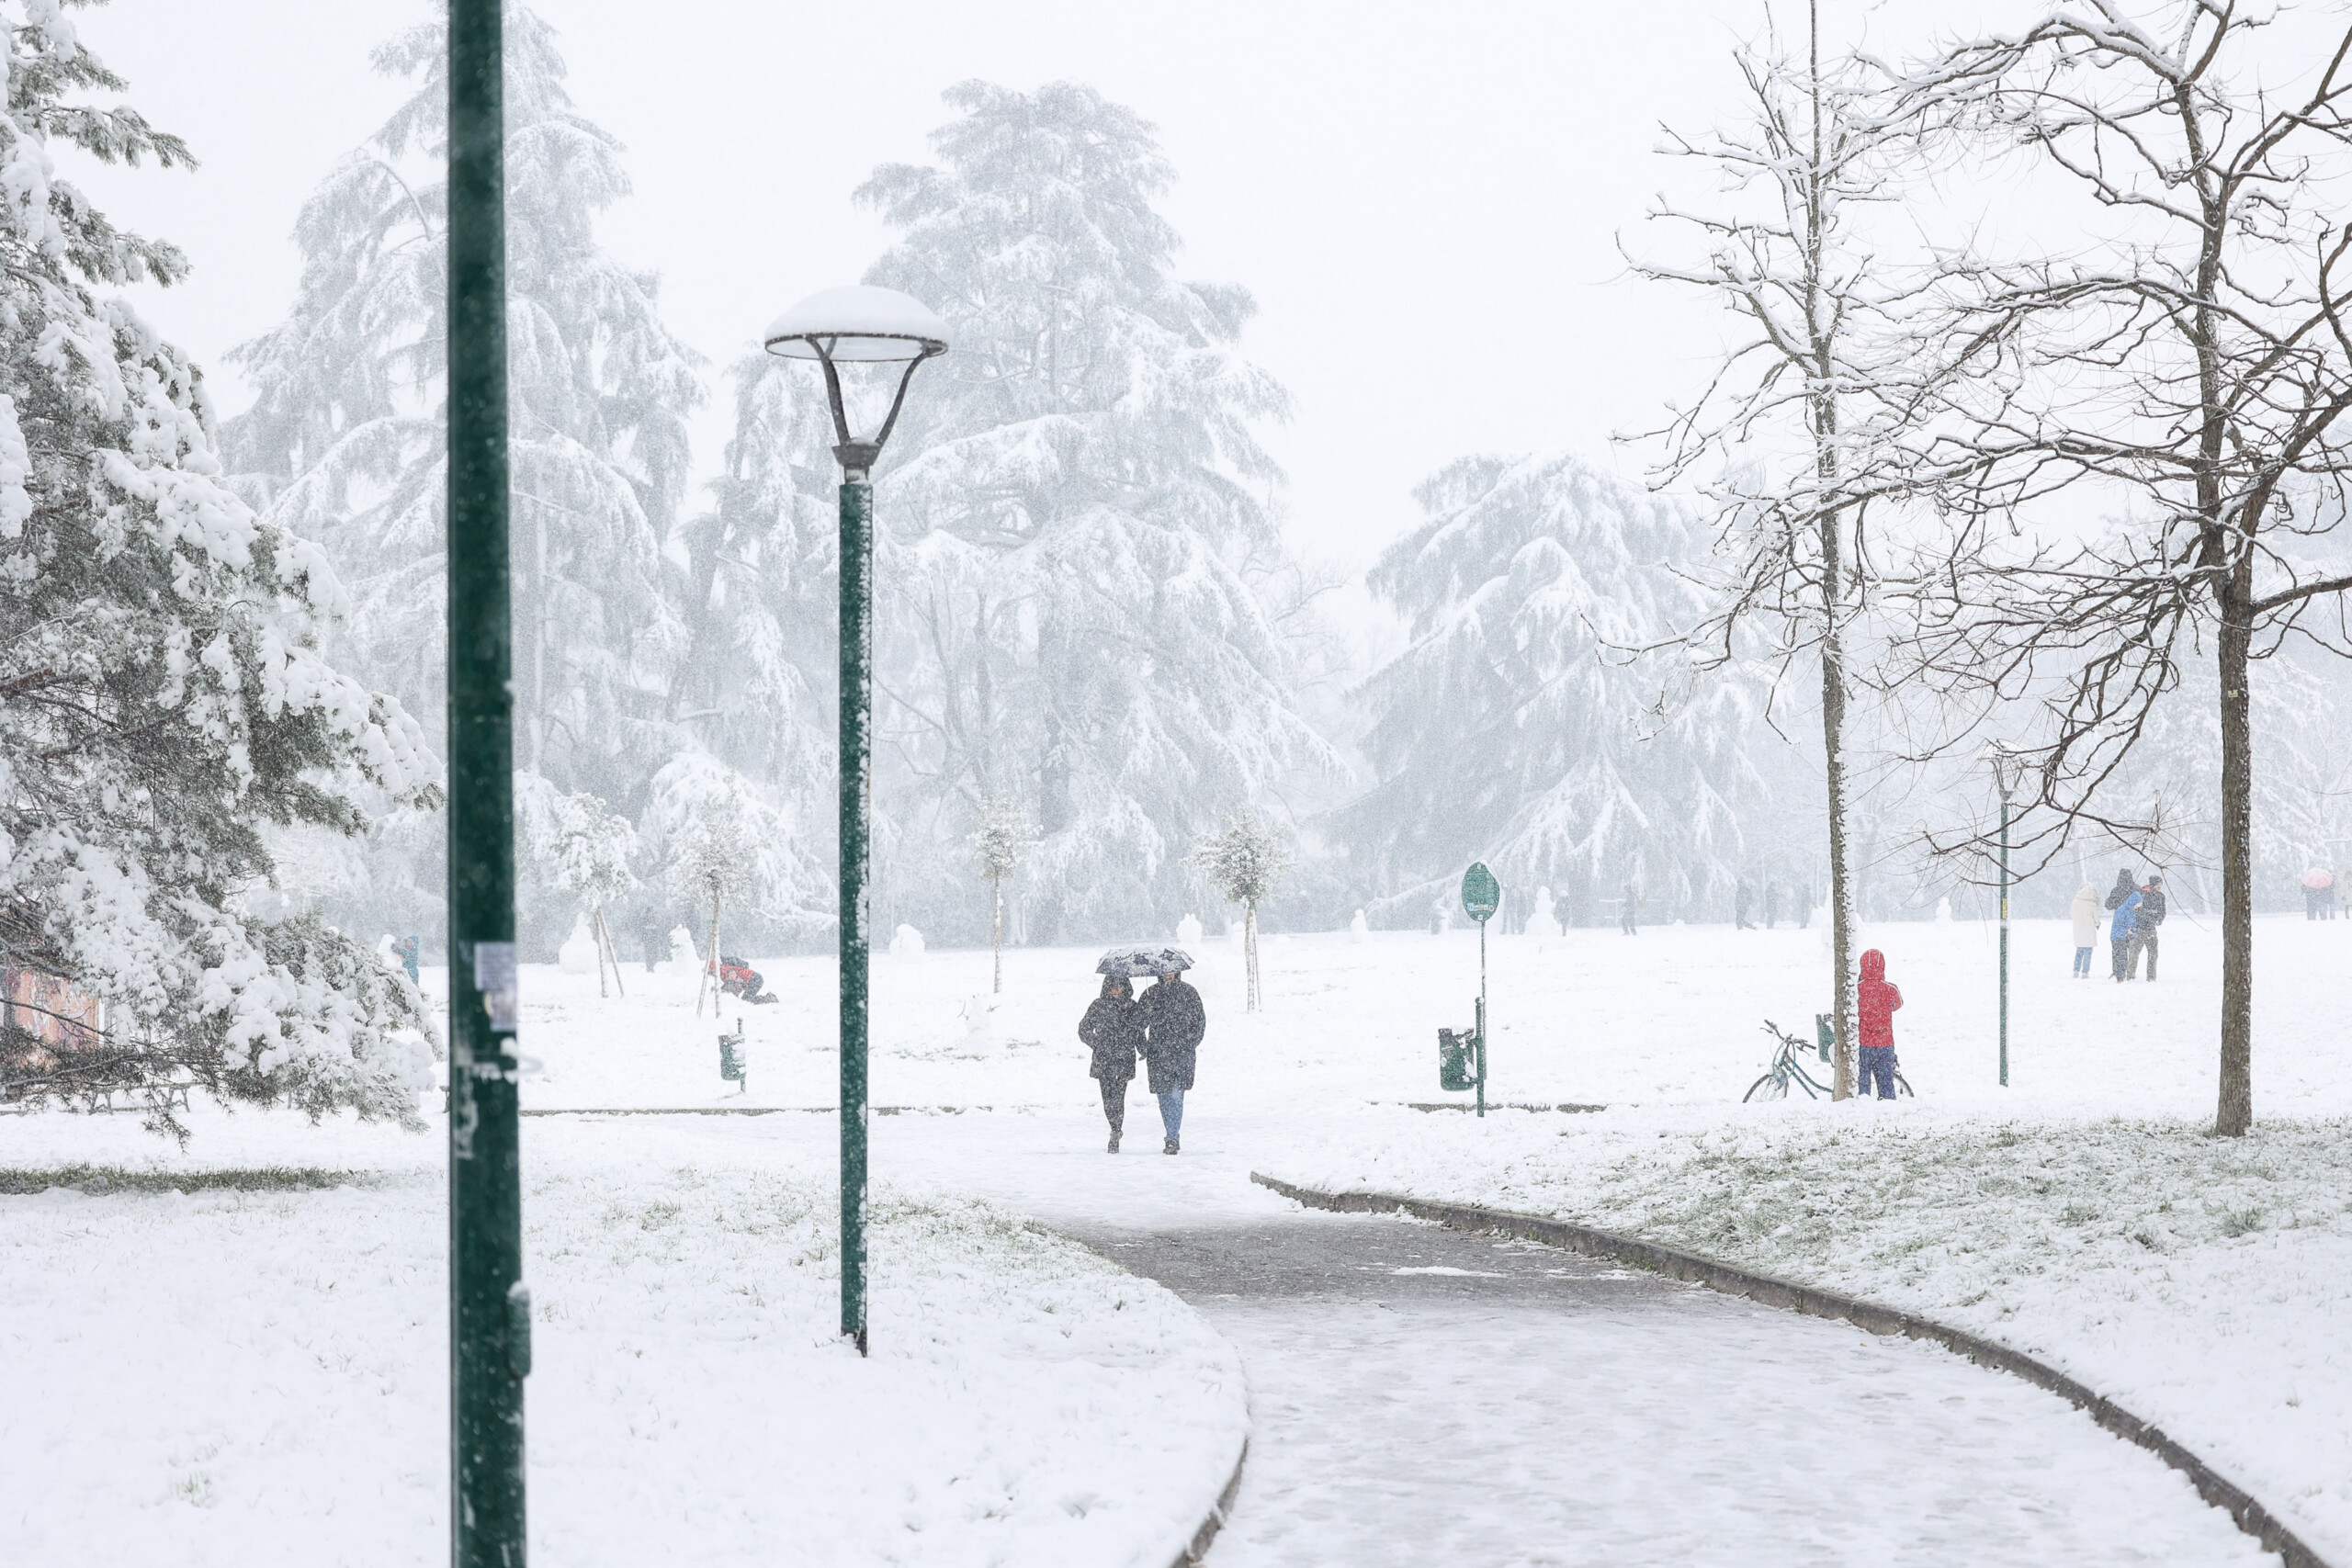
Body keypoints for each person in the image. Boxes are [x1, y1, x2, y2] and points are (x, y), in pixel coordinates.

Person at [1136, 967, 1206, 1155]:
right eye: (1165, 971)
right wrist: (1144, 1046)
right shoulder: (1150, 994)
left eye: (1172, 971)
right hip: (1158, 1054)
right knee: (1164, 1098)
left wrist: (1190, 1042)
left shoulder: (1188, 992)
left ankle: (1172, 1137)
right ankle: (1171, 1132)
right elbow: (1138, 1024)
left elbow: (1199, 1021)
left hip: (1181, 1053)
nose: (1168, 975)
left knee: (1176, 1096)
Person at [1078, 976, 1144, 1153]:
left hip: (1124, 1058)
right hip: (1104, 1058)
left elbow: (1138, 1031)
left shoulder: (1131, 1007)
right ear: (1107, 988)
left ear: (1124, 988)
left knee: (1119, 1096)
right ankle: (1114, 1127)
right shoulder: (1098, 1005)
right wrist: (1097, 1043)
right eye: (1113, 987)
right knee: (1107, 1097)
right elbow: (1083, 1029)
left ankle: (1116, 1131)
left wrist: (1143, 1048)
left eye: (1119, 987)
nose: (1116, 991)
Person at [1856, 948, 1903, 1100]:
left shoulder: (1856, 989)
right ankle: (1888, 1108)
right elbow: (1898, 1005)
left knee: (1862, 1083)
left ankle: (1863, 1108)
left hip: (1863, 1043)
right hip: (1885, 1043)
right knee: (1886, 1083)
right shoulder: (1889, 989)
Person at [2103, 869, 2141, 983]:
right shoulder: (2136, 889)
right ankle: (2130, 973)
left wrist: (2116, 903)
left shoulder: (2117, 890)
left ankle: (2119, 973)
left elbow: (2108, 905)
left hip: (2120, 924)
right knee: (2133, 951)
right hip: (2133, 923)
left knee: (2118, 951)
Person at [2128, 874, 2167, 981]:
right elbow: (2139, 911)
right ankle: (2130, 976)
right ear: (2153, 884)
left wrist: (2159, 919)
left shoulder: (2161, 896)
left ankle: (2151, 977)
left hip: (2151, 929)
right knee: (2134, 953)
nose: (2160, 887)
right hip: (2140, 929)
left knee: (2153, 954)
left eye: (2161, 885)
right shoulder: (2142, 895)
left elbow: (2162, 911)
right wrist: (2150, 915)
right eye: (2158, 884)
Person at [2069, 882, 2101, 978]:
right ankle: (2085, 972)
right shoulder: (2092, 904)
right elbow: (2096, 919)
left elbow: (2072, 913)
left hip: (2078, 929)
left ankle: (2076, 970)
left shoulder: (2075, 902)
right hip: (2089, 931)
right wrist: (2097, 924)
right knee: (2088, 951)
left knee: (2079, 951)